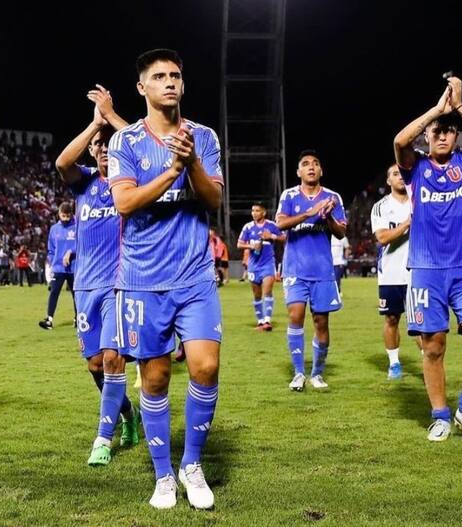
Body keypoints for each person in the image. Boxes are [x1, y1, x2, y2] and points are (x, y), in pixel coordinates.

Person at [108, 48, 223, 510]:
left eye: (175, 75)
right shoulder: (126, 143)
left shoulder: (204, 136)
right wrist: (173, 171)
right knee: (154, 380)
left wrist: (191, 162)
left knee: (205, 367)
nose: (170, 82)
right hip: (141, 280)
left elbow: (213, 198)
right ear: (143, 88)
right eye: (159, 76)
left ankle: (191, 464)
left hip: (194, 275)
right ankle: (162, 476)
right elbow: (125, 203)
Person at [393, 75, 462, 442]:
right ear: (428, 136)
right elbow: (400, 140)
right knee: (433, 346)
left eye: (448, 131)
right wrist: (437, 110)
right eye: (436, 131)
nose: (441, 135)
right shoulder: (415, 167)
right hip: (426, 269)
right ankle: (440, 416)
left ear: (456, 137)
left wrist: (459, 108)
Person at [54, 84, 140, 466]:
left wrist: (112, 118)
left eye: (109, 144)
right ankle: (128, 415)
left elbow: (144, 141)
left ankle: (102, 440)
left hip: (121, 286)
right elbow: (61, 163)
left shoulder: (132, 181)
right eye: (99, 146)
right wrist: (94, 125)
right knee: (94, 365)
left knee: (111, 360)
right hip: (85, 287)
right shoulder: (84, 183)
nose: (104, 150)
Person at [276, 150, 346, 391]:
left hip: (322, 271)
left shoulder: (332, 197)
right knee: (295, 316)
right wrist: (309, 212)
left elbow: (341, 232)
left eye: (316, 163)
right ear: (299, 172)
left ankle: (317, 373)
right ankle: (298, 373)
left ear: (321, 171)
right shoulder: (289, 195)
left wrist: (326, 217)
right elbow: (281, 223)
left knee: (321, 322)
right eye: (305, 164)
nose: (311, 167)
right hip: (295, 268)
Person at [370, 164, 420, 380]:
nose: (399, 177)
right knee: (392, 318)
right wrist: (407, 223)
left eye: (402, 173)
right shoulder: (381, 207)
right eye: (394, 174)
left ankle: (429, 359)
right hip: (391, 272)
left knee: (420, 320)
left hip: (419, 271)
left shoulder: (420, 201)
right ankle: (394, 364)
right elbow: (382, 238)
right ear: (388, 181)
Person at [237, 202, 285, 330]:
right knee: (257, 295)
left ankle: (267, 322)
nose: (254, 213)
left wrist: (271, 236)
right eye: (253, 210)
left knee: (267, 291)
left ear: (263, 212)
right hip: (253, 266)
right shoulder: (248, 227)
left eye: (257, 210)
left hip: (268, 264)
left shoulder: (271, 226)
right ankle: (260, 321)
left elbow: (284, 238)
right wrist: (251, 246)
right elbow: (239, 244)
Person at [39, 202, 76, 329]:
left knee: (76, 294)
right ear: (59, 214)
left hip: (74, 268)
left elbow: (83, 244)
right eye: (63, 216)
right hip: (58, 268)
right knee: (54, 292)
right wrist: (51, 261)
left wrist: (71, 252)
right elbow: (51, 249)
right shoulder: (54, 229)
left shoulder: (77, 227)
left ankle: (78, 318)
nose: (65, 219)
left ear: (71, 214)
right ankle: (49, 320)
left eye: (67, 216)